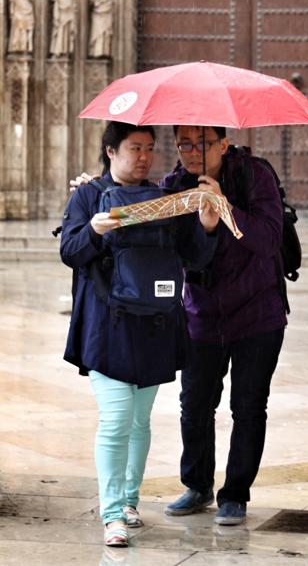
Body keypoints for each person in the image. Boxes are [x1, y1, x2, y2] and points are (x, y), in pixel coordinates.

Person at [61, 122, 219, 547]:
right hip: (106, 327)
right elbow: (69, 252)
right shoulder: (88, 195)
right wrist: (94, 230)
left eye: (150, 148)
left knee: (139, 421)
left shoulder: (163, 200)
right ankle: (112, 513)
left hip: (154, 325)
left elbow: (193, 258)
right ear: (110, 151)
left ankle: (130, 501)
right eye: (135, 148)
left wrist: (205, 226)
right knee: (115, 420)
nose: (145, 157)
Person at [163, 125, 286, 526]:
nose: (193, 152)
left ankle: (235, 495)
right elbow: (180, 252)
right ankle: (196, 486)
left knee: (248, 407)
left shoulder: (256, 175)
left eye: (202, 143)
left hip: (258, 312)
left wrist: (225, 206)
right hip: (202, 313)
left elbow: (268, 239)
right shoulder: (175, 185)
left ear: (223, 144)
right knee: (195, 404)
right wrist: (207, 226)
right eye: (184, 144)